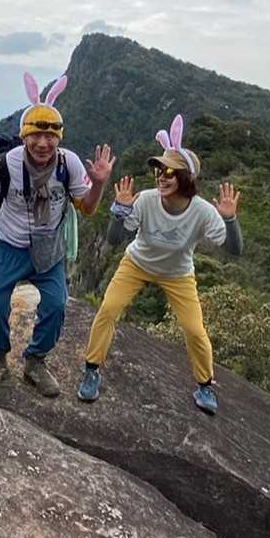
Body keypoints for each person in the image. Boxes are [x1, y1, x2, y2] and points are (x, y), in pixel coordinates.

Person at [76, 114, 243, 414]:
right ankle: (91, 370)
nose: (161, 177)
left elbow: (234, 249)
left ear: (186, 178)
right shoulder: (146, 200)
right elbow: (114, 239)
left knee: (194, 330)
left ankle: (205, 386)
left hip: (177, 274)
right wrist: (119, 211)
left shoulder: (203, 212)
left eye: (170, 172)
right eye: (159, 170)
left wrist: (230, 220)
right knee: (109, 309)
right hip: (137, 263)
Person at [0, 72, 115, 397]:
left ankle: (35, 362)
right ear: (24, 136)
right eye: (36, 135)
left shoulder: (69, 163)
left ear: (59, 138)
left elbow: (86, 207)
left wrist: (99, 184)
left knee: (56, 305)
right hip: (9, 244)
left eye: (50, 135)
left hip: (48, 246)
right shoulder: (8, 162)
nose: (43, 143)